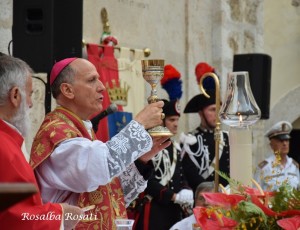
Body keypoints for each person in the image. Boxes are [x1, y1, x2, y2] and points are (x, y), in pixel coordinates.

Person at [30, 57, 170, 229]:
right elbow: (94, 171)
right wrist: (139, 124)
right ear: (67, 90)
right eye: (91, 80)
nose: (102, 86)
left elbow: (107, 194)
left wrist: (141, 160)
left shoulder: (80, 128)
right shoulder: (56, 133)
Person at [0, 55, 83, 229]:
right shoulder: (4, 148)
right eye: (29, 94)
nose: (30, 104)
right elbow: (14, 217)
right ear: (15, 95)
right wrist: (60, 214)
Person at [134, 65, 193, 230]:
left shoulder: (174, 147)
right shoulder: (148, 144)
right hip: (154, 210)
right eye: (171, 120)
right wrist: (172, 196)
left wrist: (185, 190)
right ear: (161, 121)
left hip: (173, 210)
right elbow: (146, 180)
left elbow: (180, 176)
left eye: (177, 120)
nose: (176, 124)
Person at [180, 62, 230, 192]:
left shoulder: (227, 138)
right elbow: (189, 173)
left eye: (219, 109)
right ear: (201, 113)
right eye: (212, 110)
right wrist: (210, 193)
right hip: (203, 198)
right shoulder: (190, 140)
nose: (217, 114)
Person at [254, 121, 300, 191]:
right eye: (280, 140)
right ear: (271, 145)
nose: (285, 143)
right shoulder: (264, 167)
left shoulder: (294, 165)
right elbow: (256, 193)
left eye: (287, 140)